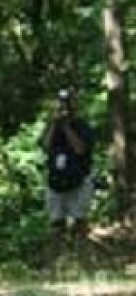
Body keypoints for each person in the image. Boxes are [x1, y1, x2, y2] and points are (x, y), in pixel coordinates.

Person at [41, 88, 96, 261]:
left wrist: (66, 127)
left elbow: (80, 149)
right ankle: (54, 263)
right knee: (56, 224)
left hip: (79, 181)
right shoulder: (52, 127)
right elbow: (45, 145)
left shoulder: (83, 126)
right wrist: (53, 123)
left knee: (80, 222)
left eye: (67, 104)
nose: (64, 108)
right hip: (56, 182)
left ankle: (84, 261)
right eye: (61, 103)